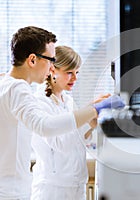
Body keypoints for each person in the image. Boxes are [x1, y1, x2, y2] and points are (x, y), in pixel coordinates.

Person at [0, 26, 124, 199]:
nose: (51, 67)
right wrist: (92, 110)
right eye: (50, 60)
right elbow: (45, 126)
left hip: (14, 187)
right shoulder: (18, 88)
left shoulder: (7, 84)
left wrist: (89, 117)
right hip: (14, 191)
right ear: (32, 60)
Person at [30, 45, 104, 200]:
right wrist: (87, 113)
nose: (75, 78)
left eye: (77, 72)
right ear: (52, 70)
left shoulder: (68, 101)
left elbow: (79, 138)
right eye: (69, 73)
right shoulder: (40, 103)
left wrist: (91, 123)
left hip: (76, 185)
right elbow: (60, 143)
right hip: (53, 189)